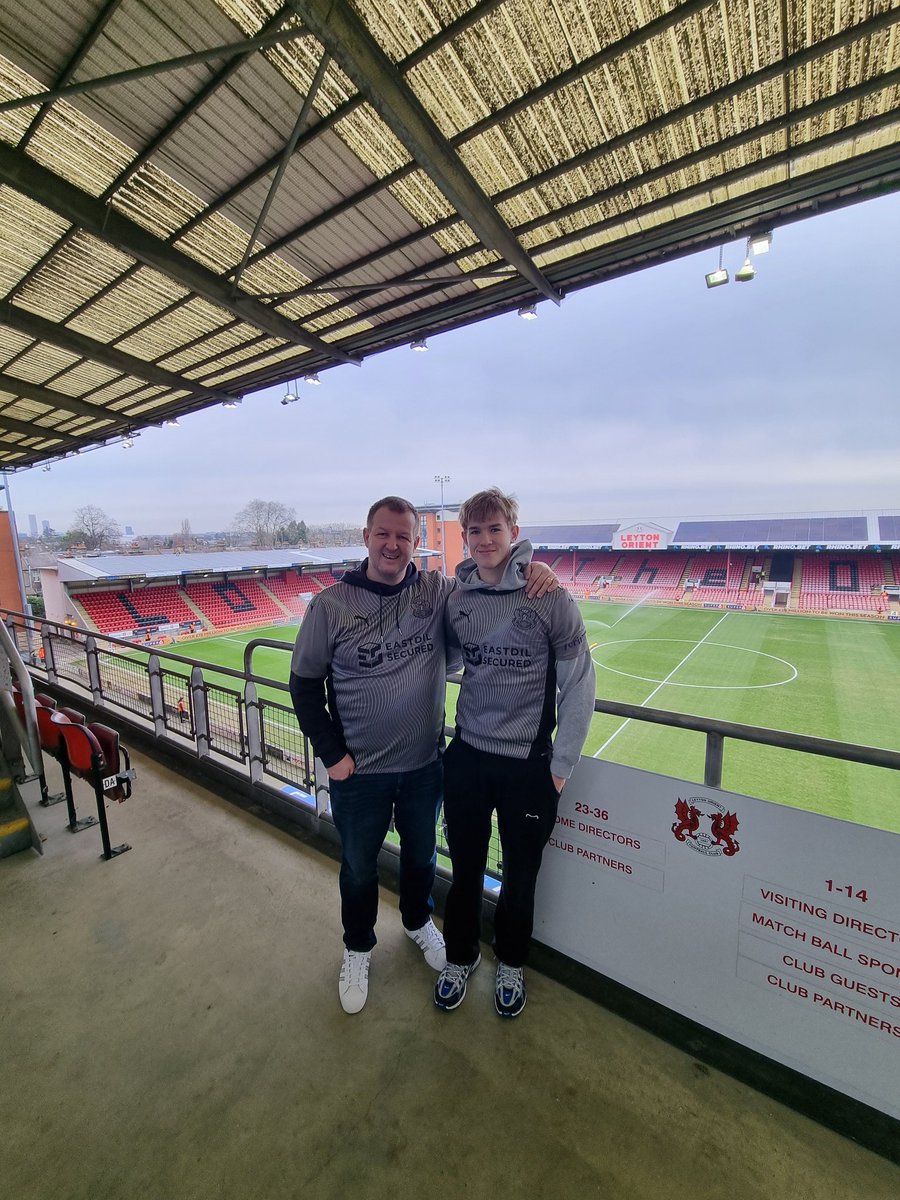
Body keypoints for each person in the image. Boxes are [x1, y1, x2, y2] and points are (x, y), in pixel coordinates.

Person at [289, 496, 557, 1015]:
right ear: (366, 537)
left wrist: (534, 568)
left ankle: (417, 922)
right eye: (383, 534)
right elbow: (303, 684)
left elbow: (493, 580)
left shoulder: (437, 590)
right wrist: (332, 754)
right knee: (359, 868)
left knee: (422, 858)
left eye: (403, 537)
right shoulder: (330, 606)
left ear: (417, 542)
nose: (393, 545)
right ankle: (358, 947)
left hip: (424, 767)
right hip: (358, 772)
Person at [434, 487, 596, 1018]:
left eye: (494, 529)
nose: (484, 540)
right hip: (468, 756)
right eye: (474, 531)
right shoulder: (458, 598)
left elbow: (579, 683)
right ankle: (460, 957)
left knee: (520, 877)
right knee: (464, 871)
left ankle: (510, 962)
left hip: (528, 766)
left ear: (514, 533)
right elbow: (447, 658)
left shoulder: (547, 596)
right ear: (465, 536)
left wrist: (560, 767)